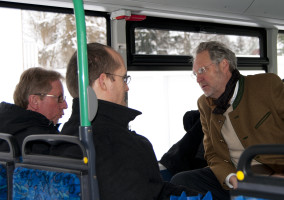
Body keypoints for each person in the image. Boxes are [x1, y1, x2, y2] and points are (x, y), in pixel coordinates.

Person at [57, 42, 191, 200]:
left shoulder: (63, 138)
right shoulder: (126, 146)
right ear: (104, 81)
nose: (127, 87)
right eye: (123, 78)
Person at [171, 41, 284, 200]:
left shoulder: (266, 85)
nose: (198, 79)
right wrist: (230, 178)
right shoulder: (204, 104)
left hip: (273, 174)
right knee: (180, 182)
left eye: (202, 70)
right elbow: (212, 154)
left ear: (224, 65)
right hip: (235, 177)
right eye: (196, 73)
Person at [0, 67, 68, 152]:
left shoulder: (6, 132)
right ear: (35, 101)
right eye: (59, 98)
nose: (65, 105)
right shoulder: (44, 143)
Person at [159, 110, 207, 181]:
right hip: (180, 166)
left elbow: (188, 117)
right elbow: (189, 117)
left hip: (173, 161)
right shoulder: (212, 113)